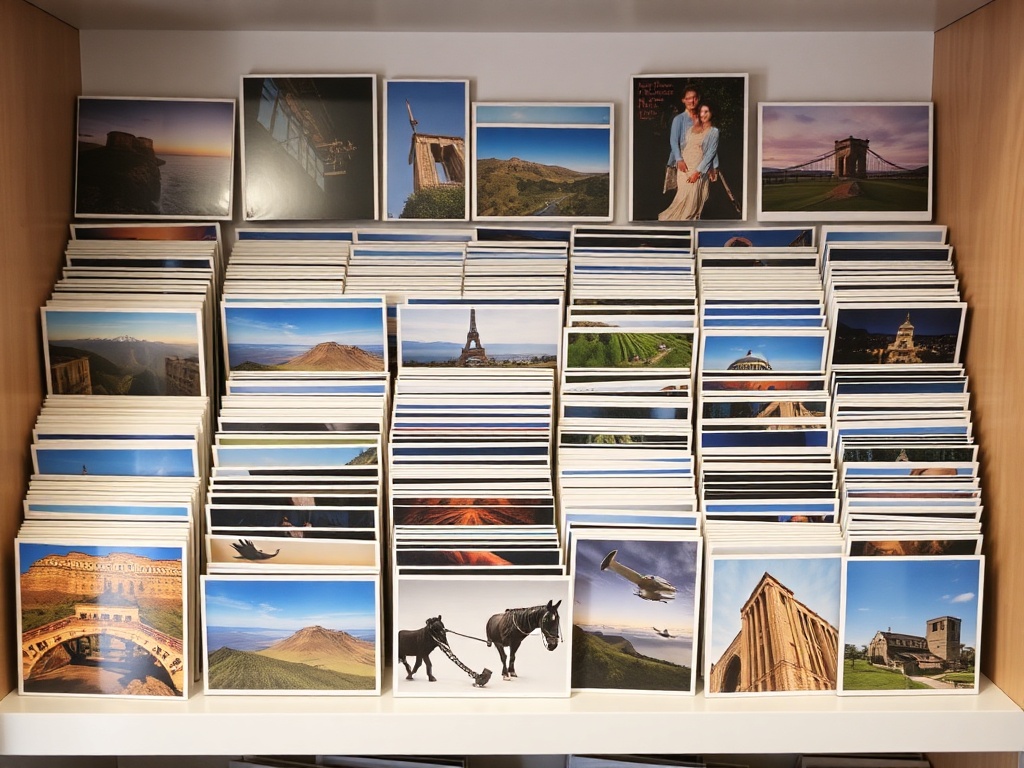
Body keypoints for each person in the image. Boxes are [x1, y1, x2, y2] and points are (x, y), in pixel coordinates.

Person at [659, 102, 720, 221]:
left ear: (711, 113)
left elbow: (711, 153)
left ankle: (685, 225)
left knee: (693, 201)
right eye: (701, 112)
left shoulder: (714, 132)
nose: (703, 114)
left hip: (698, 168)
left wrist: (699, 172)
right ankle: (673, 224)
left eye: (706, 111)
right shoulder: (691, 129)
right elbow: (681, 146)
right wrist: (676, 161)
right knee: (681, 198)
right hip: (684, 167)